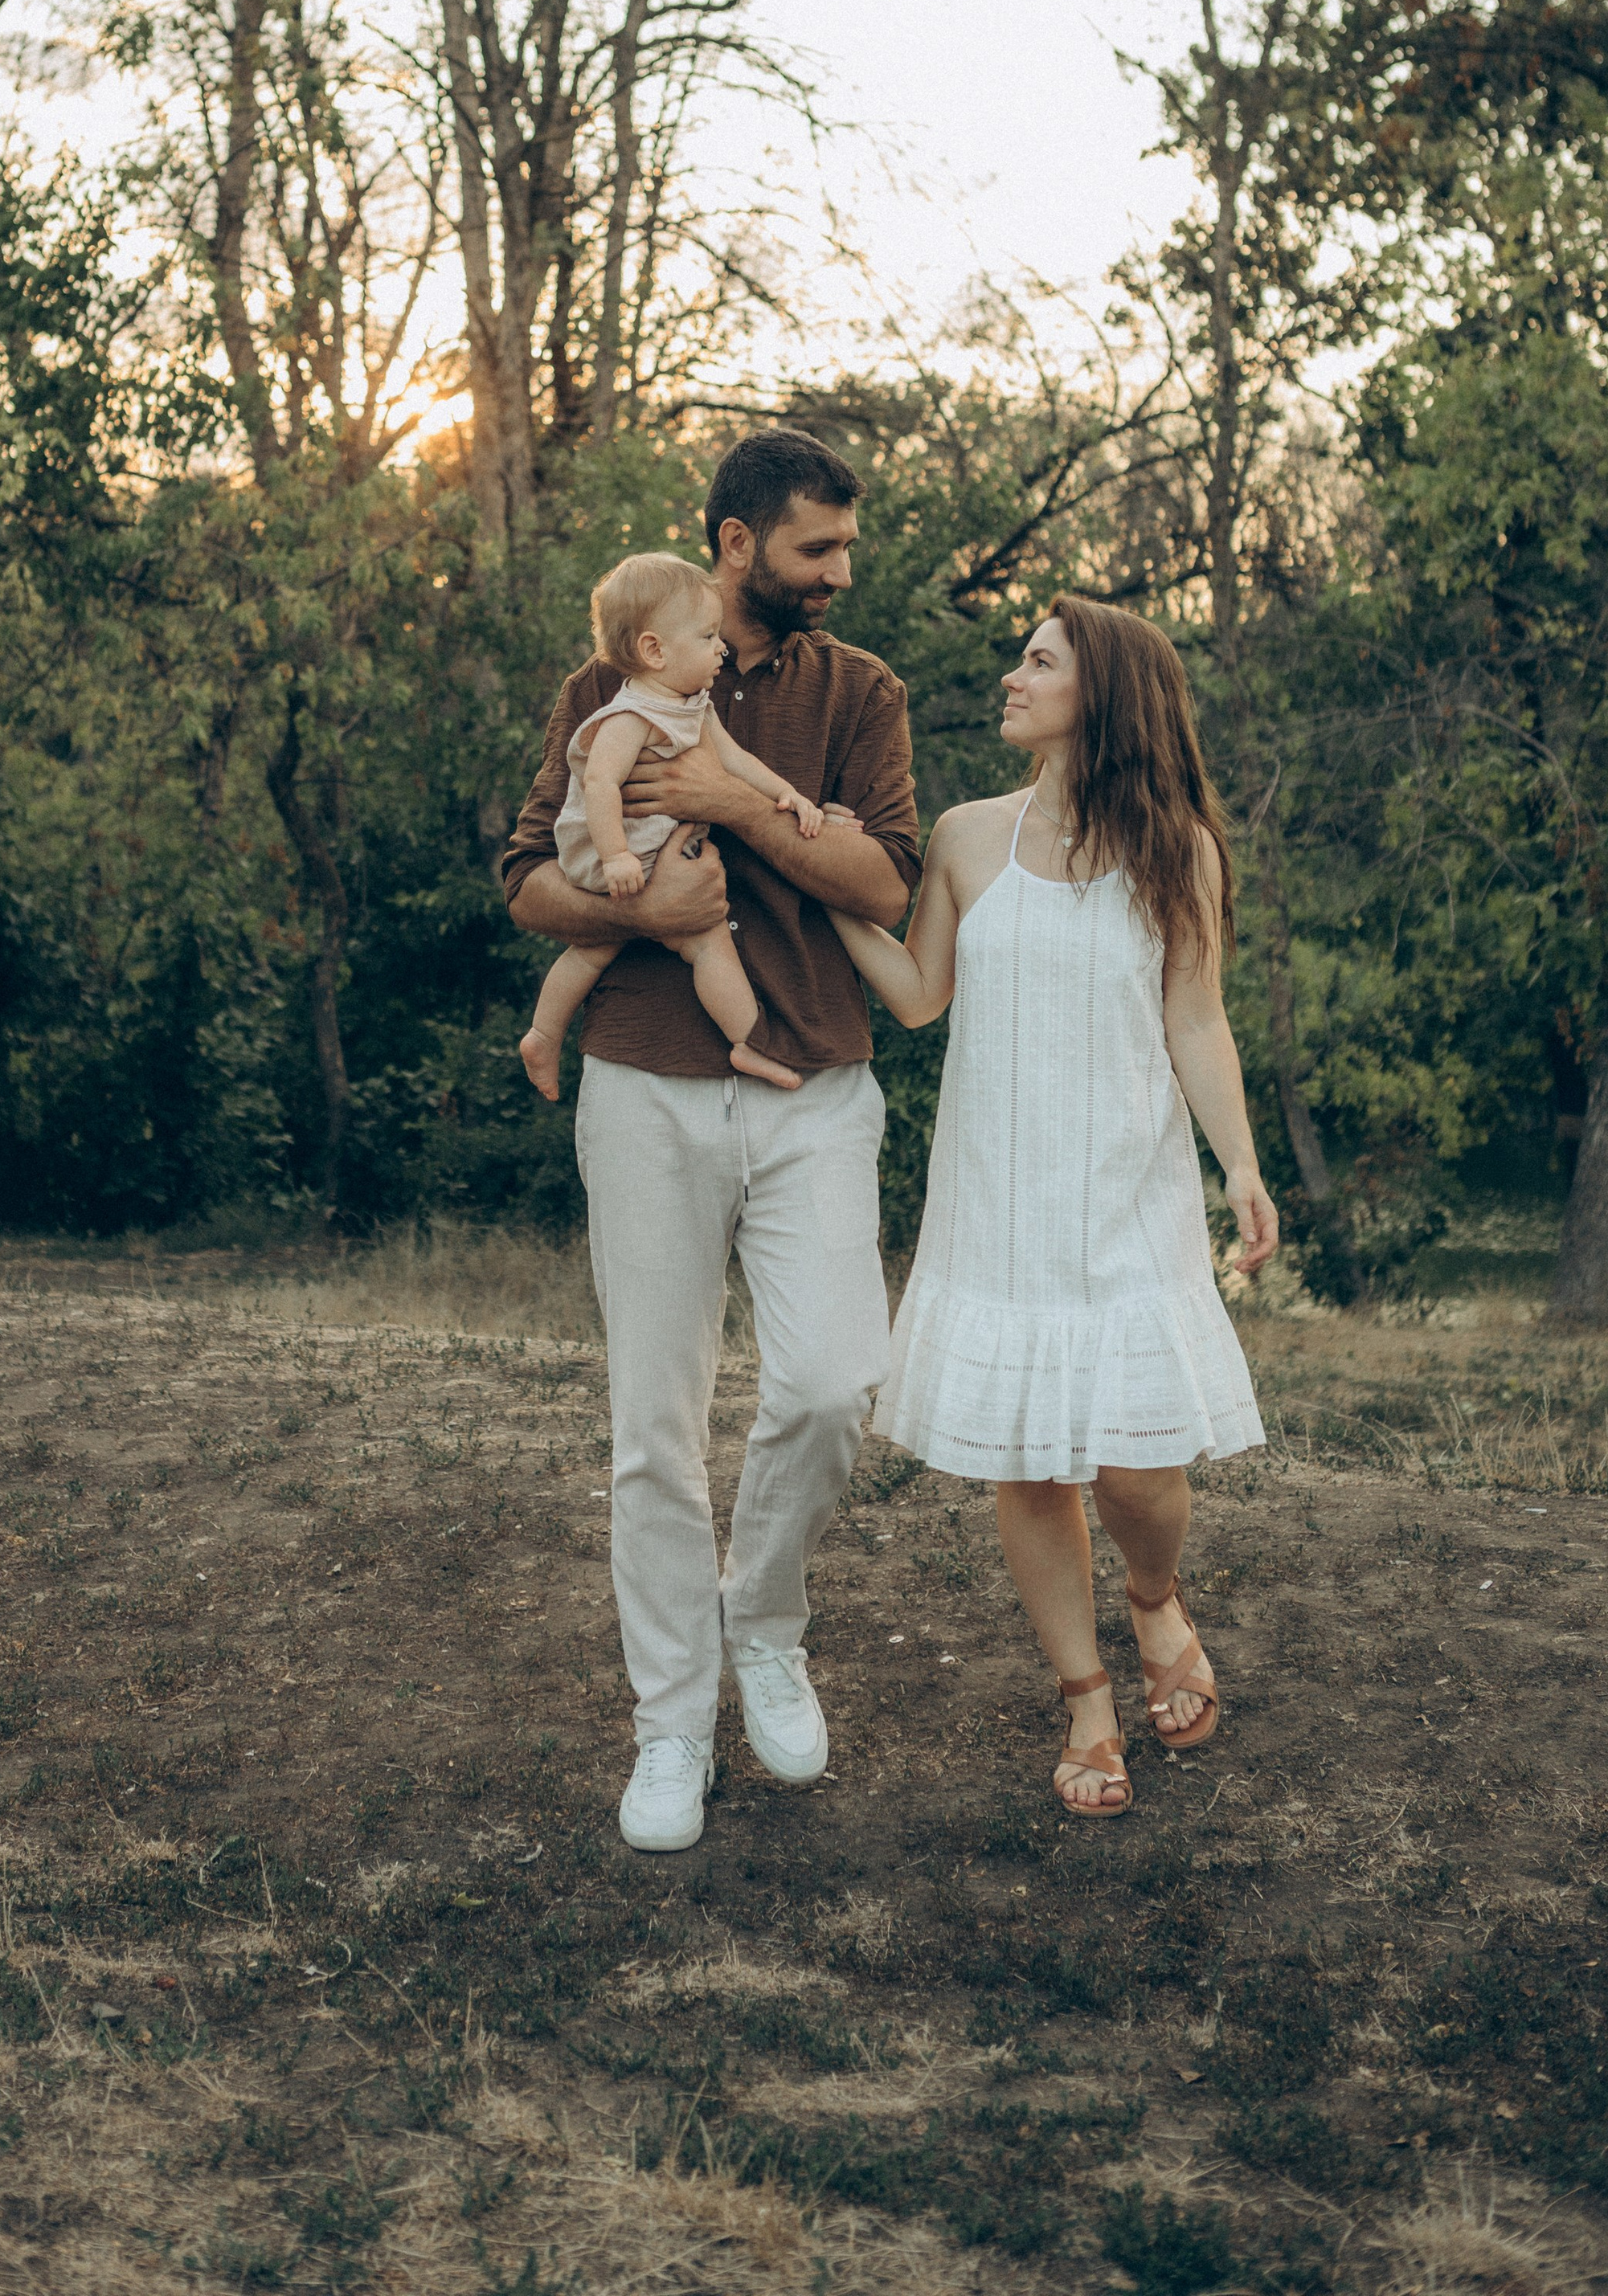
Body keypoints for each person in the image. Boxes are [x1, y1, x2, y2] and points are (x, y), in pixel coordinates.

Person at [503, 431, 921, 1853]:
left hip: (816, 1086)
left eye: (843, 550)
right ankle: (672, 1722)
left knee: (824, 1388)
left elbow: (888, 881)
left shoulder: (860, 691)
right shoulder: (607, 686)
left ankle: (766, 1626)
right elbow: (526, 883)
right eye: (817, 550)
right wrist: (648, 912)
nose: (839, 575)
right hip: (645, 1084)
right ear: (738, 545)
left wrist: (741, 803)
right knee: (655, 1431)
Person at [830, 598, 1276, 1819]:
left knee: (1140, 1467)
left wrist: (1239, 1163)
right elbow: (921, 996)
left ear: (1106, 695)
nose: (1013, 677)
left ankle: (1152, 1597)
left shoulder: (1179, 848)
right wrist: (827, 896)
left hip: (1130, 1196)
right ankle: (1086, 1697)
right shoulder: (970, 838)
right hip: (1002, 1203)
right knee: (1029, 1465)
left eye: (1040, 661)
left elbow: (1196, 1018)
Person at [519, 553, 825, 1102]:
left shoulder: (692, 706)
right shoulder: (629, 716)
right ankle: (743, 1039)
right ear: (654, 651)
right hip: (611, 851)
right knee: (675, 942)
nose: (722, 648)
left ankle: (548, 1035)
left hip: (654, 853)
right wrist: (616, 857)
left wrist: (787, 794)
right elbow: (600, 786)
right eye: (708, 636)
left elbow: (735, 762)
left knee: (618, 947)